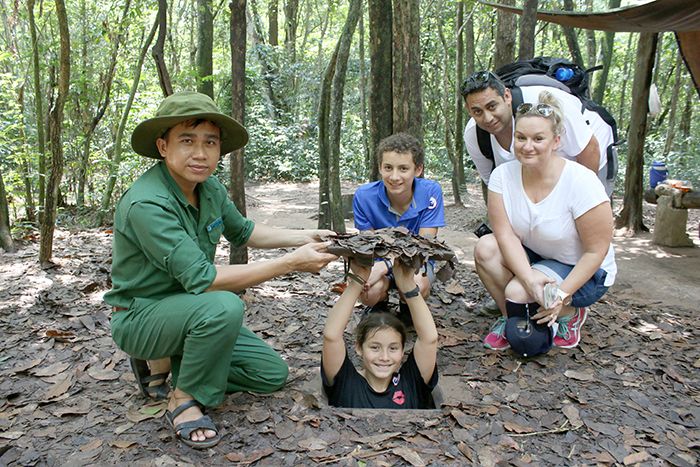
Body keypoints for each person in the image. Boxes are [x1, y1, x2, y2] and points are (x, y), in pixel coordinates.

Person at [104, 91, 337, 449]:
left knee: (270, 373)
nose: (200, 153)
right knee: (225, 306)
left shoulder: (207, 186)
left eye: (210, 143)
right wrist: (292, 264)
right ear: (163, 146)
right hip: (142, 315)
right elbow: (205, 279)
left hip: (188, 308)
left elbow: (244, 232)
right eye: (187, 141)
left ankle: (166, 363)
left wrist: (305, 235)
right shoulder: (147, 203)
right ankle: (182, 399)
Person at [473, 91, 616, 352]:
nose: (528, 146)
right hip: (536, 256)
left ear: (556, 141)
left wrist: (561, 294)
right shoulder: (502, 176)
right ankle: (511, 318)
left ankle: (569, 313)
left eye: (538, 139)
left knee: (517, 292)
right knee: (486, 248)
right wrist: (529, 278)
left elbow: (597, 250)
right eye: (521, 138)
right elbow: (505, 235)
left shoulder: (581, 181)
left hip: (583, 269)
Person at [461, 70, 615, 198]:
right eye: (477, 111)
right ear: (469, 111)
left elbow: (590, 149)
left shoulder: (545, 105)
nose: (487, 118)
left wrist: (583, 201)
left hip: (590, 155)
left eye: (492, 106)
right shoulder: (474, 135)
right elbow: (496, 184)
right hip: (539, 176)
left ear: (507, 96)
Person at [321, 258, 438, 408]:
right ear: (359, 348)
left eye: (393, 348)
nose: (384, 357)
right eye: (375, 347)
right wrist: (358, 281)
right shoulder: (346, 382)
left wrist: (408, 286)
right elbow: (331, 336)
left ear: (403, 351)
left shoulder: (411, 383)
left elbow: (429, 339)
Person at [352, 133, 445, 311]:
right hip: (377, 261)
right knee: (366, 290)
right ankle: (380, 306)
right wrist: (372, 270)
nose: (394, 177)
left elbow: (424, 245)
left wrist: (385, 265)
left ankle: (407, 309)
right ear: (380, 167)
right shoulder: (364, 196)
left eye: (403, 169)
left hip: (416, 263)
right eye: (388, 167)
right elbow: (368, 244)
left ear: (417, 170)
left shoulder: (431, 192)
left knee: (416, 284)